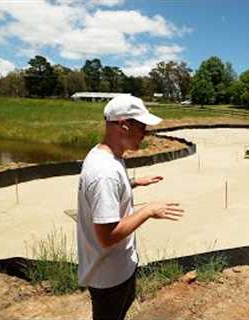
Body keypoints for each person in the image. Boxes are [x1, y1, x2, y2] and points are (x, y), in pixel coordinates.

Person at [77, 95, 184, 320]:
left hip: (116, 269)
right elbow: (107, 236)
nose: (145, 134)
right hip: (109, 276)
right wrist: (148, 211)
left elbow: (107, 195)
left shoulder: (106, 156)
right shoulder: (105, 173)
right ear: (123, 125)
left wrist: (133, 182)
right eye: (142, 127)